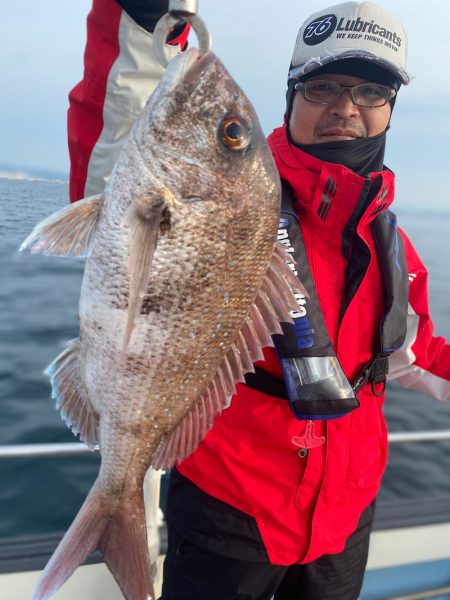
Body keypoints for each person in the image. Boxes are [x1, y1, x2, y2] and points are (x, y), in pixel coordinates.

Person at [68, 1, 450, 599]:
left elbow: (419, 352)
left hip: (346, 519)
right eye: (322, 87)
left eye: (371, 91)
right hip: (229, 509)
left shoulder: (392, 246)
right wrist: (141, 23)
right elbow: (114, 147)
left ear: (390, 111)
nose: (345, 107)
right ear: (291, 99)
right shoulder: (229, 206)